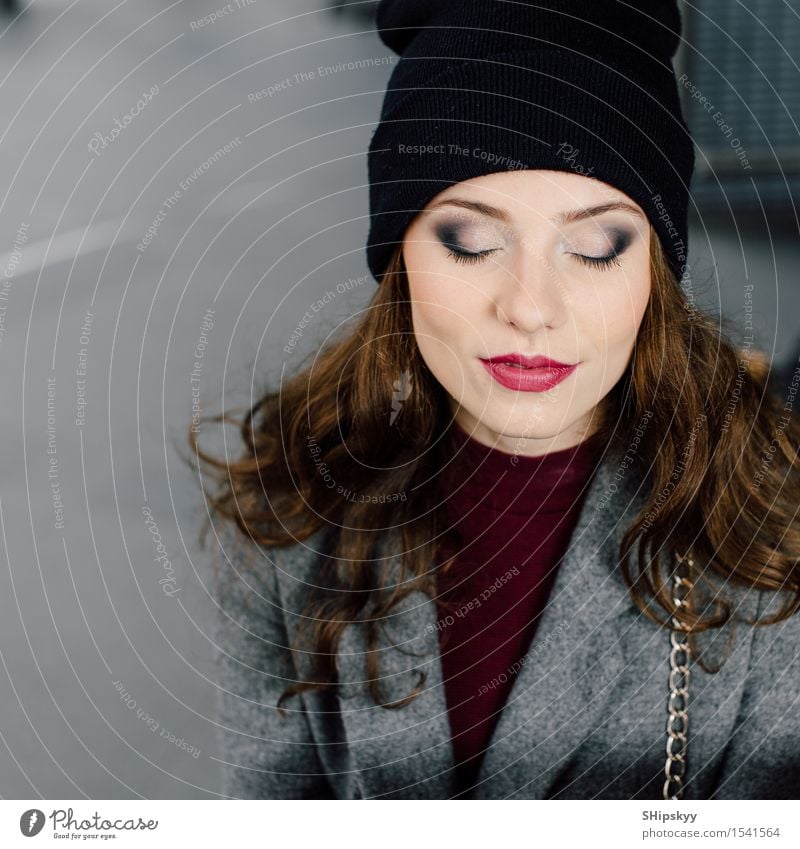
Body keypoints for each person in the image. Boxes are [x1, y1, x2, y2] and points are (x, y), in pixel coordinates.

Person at [190, 0, 800, 800]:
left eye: (595, 247)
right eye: (471, 242)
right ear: (399, 255)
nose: (529, 306)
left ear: (654, 271)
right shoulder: (296, 508)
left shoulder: (768, 533)